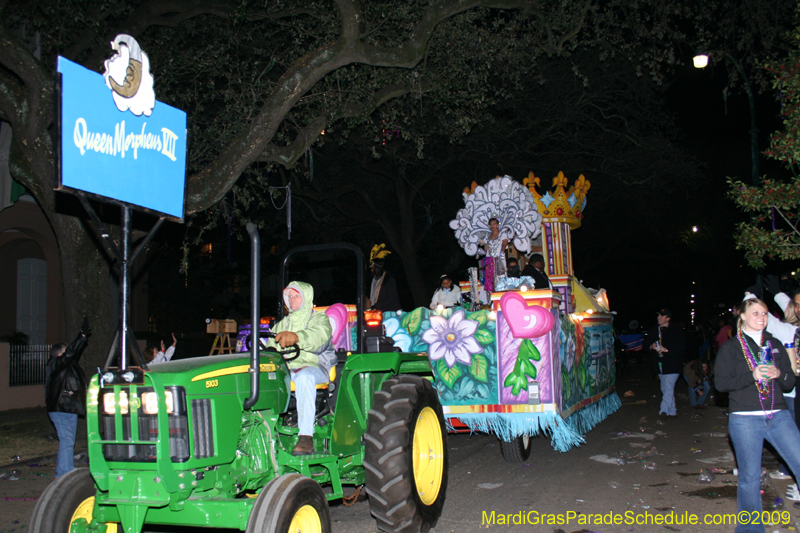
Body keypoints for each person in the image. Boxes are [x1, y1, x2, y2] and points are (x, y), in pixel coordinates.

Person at [715, 298, 800, 533]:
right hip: (745, 418)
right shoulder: (732, 348)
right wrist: (751, 376)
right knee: (750, 477)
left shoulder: (774, 344)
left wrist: (779, 373)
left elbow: (790, 381)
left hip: (778, 415)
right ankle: (750, 529)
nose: (761, 318)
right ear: (742, 316)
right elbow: (721, 384)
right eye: (755, 313)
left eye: (764, 314)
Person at [266, 281, 334, 455]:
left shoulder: (319, 319)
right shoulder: (283, 324)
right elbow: (269, 343)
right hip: (287, 370)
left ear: (306, 297)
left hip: (314, 367)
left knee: (305, 378)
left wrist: (297, 337)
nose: (292, 300)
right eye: (290, 297)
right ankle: (266, 434)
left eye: (296, 296)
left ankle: (306, 437)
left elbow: (317, 338)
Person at [45, 317, 91, 478]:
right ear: (59, 354)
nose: (69, 353)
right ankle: (64, 473)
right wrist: (82, 337)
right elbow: (71, 353)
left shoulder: (65, 366)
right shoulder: (56, 363)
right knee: (66, 440)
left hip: (68, 407)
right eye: (66, 351)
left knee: (68, 440)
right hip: (61, 407)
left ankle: (65, 470)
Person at [644, 308, 685, 418]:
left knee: (668, 386)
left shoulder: (676, 330)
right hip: (660, 364)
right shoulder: (654, 330)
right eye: (658, 316)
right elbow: (645, 345)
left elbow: (682, 346)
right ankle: (672, 411)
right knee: (665, 388)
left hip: (672, 364)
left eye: (662, 316)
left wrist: (667, 349)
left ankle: (664, 411)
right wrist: (651, 346)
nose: (659, 318)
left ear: (668, 318)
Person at [368, 244, 401, 312]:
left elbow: (391, 299)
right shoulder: (374, 280)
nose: (371, 268)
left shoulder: (388, 279)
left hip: (390, 314)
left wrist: (375, 306)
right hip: (377, 313)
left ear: (378, 266)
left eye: (372, 265)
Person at [480, 217, 508, 292]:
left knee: (500, 275)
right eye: (491, 224)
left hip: (499, 257)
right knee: (490, 276)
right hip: (490, 259)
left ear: (497, 225)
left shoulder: (502, 234)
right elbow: (486, 247)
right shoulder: (487, 235)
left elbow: (504, 243)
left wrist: (501, 252)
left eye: (494, 224)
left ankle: (502, 291)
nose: (493, 226)